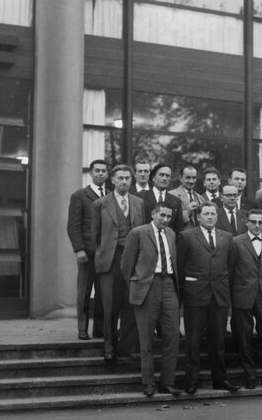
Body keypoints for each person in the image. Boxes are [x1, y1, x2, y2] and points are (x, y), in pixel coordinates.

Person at [177, 202, 240, 395]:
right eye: (206, 214)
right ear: (198, 217)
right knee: (193, 341)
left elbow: (230, 266)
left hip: (219, 295)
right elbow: (180, 267)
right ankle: (191, 381)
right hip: (195, 296)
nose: (211, 217)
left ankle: (220, 379)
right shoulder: (187, 236)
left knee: (219, 341)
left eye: (213, 213)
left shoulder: (227, 237)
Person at [120, 203, 181, 397]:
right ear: (153, 214)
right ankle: (148, 382)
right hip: (147, 286)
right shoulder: (138, 233)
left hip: (170, 285)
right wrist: (137, 286)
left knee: (172, 336)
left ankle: (167, 382)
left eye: (169, 216)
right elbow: (126, 264)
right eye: (162, 215)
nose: (165, 219)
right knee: (146, 339)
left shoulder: (171, 234)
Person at [92, 164, 144, 362]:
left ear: (131, 180)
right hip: (111, 259)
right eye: (120, 178)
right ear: (112, 180)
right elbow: (94, 235)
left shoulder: (139, 203)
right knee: (110, 305)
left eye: (127, 178)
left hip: (133, 258)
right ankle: (109, 347)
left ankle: (127, 346)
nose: (124, 182)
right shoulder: (100, 204)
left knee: (131, 303)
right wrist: (101, 255)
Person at [230, 209, 262, 389]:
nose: (257, 225)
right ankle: (250, 375)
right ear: (247, 222)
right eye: (253, 222)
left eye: (260, 222)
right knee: (244, 337)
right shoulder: (236, 242)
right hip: (243, 294)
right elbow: (231, 271)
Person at [67, 159, 108, 340]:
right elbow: (73, 226)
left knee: (102, 292)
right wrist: (79, 249)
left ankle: (99, 328)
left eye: (103, 171)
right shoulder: (80, 195)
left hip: (106, 252)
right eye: (97, 170)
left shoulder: (112, 195)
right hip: (87, 253)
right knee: (84, 291)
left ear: (107, 174)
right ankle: (82, 328)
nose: (100, 173)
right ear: (91, 173)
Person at [136, 164, 184, 234]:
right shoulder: (140, 197)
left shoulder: (176, 201)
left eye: (167, 176)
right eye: (161, 175)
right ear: (153, 178)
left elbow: (178, 229)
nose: (164, 178)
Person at [169, 165, 205, 230]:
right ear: (180, 178)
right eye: (188, 178)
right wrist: (187, 211)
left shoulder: (200, 198)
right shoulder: (171, 195)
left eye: (194, 178)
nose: (191, 181)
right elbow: (169, 221)